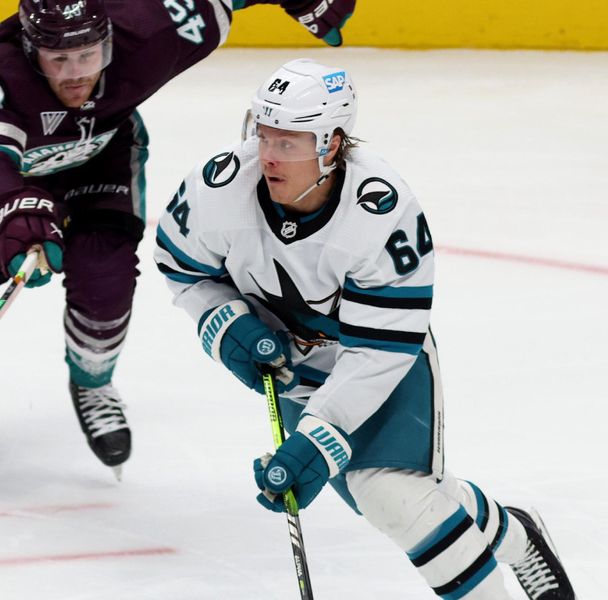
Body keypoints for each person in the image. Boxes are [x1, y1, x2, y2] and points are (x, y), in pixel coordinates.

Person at [0, 0, 357, 475]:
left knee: (105, 279)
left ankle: (92, 384)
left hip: (100, 161)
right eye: (58, 59)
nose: (77, 74)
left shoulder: (148, 34)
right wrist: (18, 212)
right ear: (28, 47)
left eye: (89, 55)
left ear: (108, 39)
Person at [154, 59, 577, 599]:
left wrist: (318, 436)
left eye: (289, 143)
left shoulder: (380, 211)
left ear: (331, 145)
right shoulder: (219, 187)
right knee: (390, 493)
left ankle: (510, 545)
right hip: (293, 370)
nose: (268, 155)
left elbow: (378, 350)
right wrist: (223, 322)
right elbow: (182, 267)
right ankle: (516, 536)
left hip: (381, 363)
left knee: (388, 494)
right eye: (264, 135)